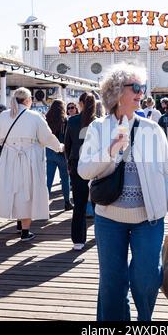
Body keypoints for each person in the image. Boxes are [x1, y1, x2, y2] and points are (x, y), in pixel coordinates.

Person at [77, 62, 168, 321]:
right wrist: (112, 149)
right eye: (135, 87)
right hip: (109, 218)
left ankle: (144, 319)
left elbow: (165, 174)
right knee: (112, 282)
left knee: (147, 277)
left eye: (142, 87)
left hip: (149, 219)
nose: (140, 92)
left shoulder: (153, 129)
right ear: (116, 91)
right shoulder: (98, 128)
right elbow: (83, 170)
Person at [0, 87, 63, 241]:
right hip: (29, 158)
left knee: (14, 189)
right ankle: (25, 231)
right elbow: (47, 137)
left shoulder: (3, 116)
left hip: (9, 158)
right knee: (27, 190)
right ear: (28, 100)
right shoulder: (35, 116)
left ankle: (19, 223)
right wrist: (59, 147)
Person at [64, 92, 96, 250]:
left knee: (79, 204)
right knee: (99, 203)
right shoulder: (99, 122)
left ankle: (78, 240)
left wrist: (69, 164)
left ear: (81, 104)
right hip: (97, 166)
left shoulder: (73, 121)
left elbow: (67, 145)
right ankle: (101, 236)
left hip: (77, 164)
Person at [45, 99, 73, 211]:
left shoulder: (47, 119)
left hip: (49, 152)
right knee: (65, 179)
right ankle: (67, 202)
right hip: (62, 153)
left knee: (49, 180)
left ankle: (43, 205)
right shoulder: (65, 120)